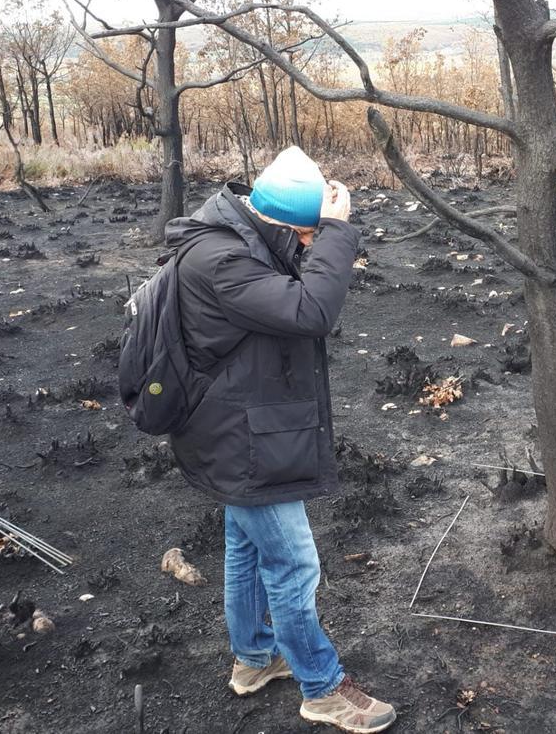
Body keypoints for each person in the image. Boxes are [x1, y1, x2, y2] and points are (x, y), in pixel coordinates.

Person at [164, 146, 395, 733]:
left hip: (238, 427)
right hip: (243, 439)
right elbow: (313, 309)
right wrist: (340, 231)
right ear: (287, 224)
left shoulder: (238, 235)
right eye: (306, 235)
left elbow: (288, 290)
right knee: (293, 563)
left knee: (245, 548)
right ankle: (322, 688)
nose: (309, 244)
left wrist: (321, 231)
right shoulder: (222, 261)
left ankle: (255, 659)